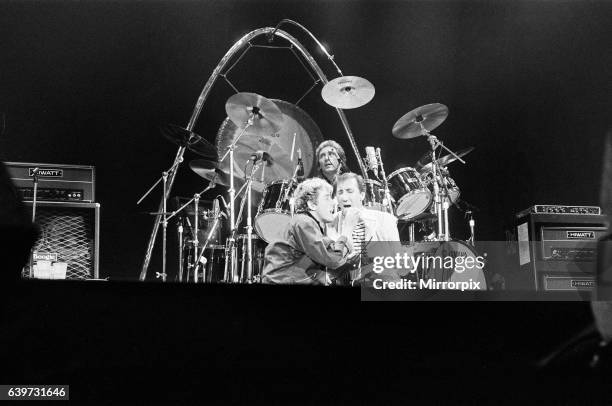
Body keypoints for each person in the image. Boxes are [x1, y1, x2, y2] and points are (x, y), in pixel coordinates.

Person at [261, 177, 354, 285]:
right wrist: (345, 235)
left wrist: (319, 274)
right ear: (312, 205)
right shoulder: (304, 222)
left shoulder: (307, 223)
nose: (333, 203)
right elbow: (332, 259)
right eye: (327, 198)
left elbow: (304, 260)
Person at [329, 172, 406, 284]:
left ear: (362, 195)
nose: (344, 198)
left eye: (350, 191)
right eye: (340, 192)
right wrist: (347, 229)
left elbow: (402, 268)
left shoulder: (385, 221)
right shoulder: (330, 224)